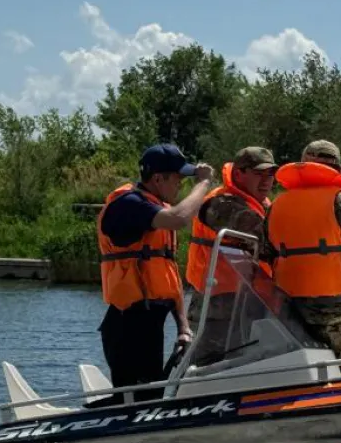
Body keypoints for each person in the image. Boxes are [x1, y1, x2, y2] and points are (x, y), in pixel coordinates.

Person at [95, 142, 214, 397]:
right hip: (128, 325)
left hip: (150, 321)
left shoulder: (154, 207)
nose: (180, 185)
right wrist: (203, 184)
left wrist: (183, 326)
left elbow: (167, 276)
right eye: (178, 179)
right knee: (137, 399)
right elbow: (179, 219)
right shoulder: (129, 204)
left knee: (149, 395)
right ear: (158, 178)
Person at [259, 139, 341, 375]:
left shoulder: (276, 206)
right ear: (337, 168)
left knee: (305, 376)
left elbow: (265, 256)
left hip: (294, 310)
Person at [183, 146, 278, 363]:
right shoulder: (221, 203)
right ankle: (178, 394)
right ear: (238, 173)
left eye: (270, 175)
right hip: (217, 305)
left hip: (251, 303)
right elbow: (264, 235)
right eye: (258, 174)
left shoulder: (264, 206)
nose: (266, 181)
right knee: (205, 366)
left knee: (247, 364)